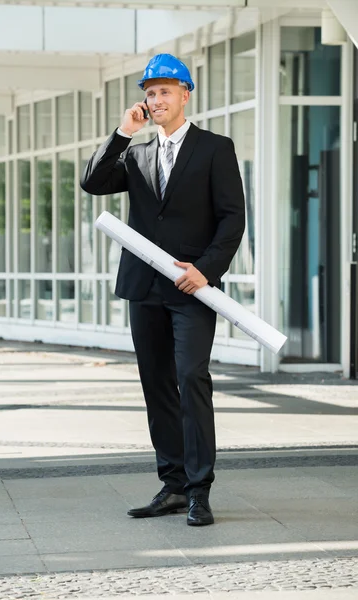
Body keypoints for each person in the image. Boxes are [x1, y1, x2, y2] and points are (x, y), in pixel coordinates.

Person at [80, 54, 245, 526]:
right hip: (143, 287)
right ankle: (172, 485)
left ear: (186, 94)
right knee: (157, 386)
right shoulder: (135, 153)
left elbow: (233, 218)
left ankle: (199, 490)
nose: (155, 100)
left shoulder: (216, 148)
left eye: (165, 91)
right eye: (150, 93)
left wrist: (208, 271)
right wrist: (122, 133)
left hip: (192, 289)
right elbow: (93, 182)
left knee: (191, 379)